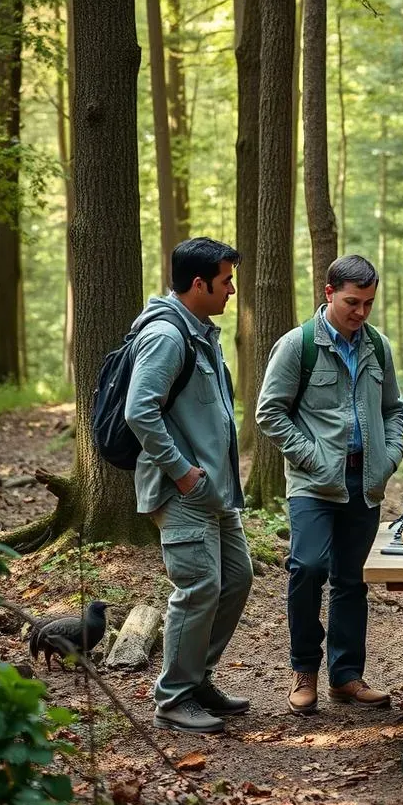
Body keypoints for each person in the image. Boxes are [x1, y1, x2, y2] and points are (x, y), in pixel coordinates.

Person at [255, 255, 403, 716]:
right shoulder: (297, 346)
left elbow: (393, 409)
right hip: (312, 485)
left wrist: (390, 455)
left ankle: (346, 676)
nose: (360, 312)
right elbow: (269, 412)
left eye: (368, 303)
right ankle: (304, 670)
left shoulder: (377, 347)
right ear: (328, 293)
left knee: (351, 579)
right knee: (307, 567)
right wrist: (312, 457)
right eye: (352, 302)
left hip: (364, 482)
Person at [125, 237, 253, 735]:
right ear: (198, 284)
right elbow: (141, 410)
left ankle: (197, 679)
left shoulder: (199, 331)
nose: (232, 290)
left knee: (236, 578)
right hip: (183, 489)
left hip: (215, 490)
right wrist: (181, 470)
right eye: (225, 281)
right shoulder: (167, 335)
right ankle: (174, 698)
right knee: (199, 587)